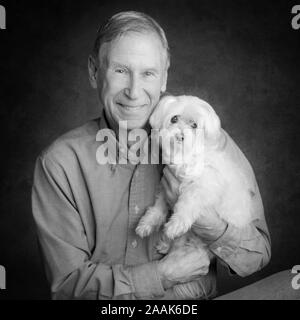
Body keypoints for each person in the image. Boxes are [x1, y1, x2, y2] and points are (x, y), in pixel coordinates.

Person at [31, 11, 271, 300]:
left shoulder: (208, 141)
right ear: (95, 72)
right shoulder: (60, 163)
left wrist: (208, 223)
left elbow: (256, 255)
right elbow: (68, 287)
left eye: (148, 73)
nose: (134, 91)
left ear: (164, 76)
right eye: (120, 70)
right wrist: (162, 276)